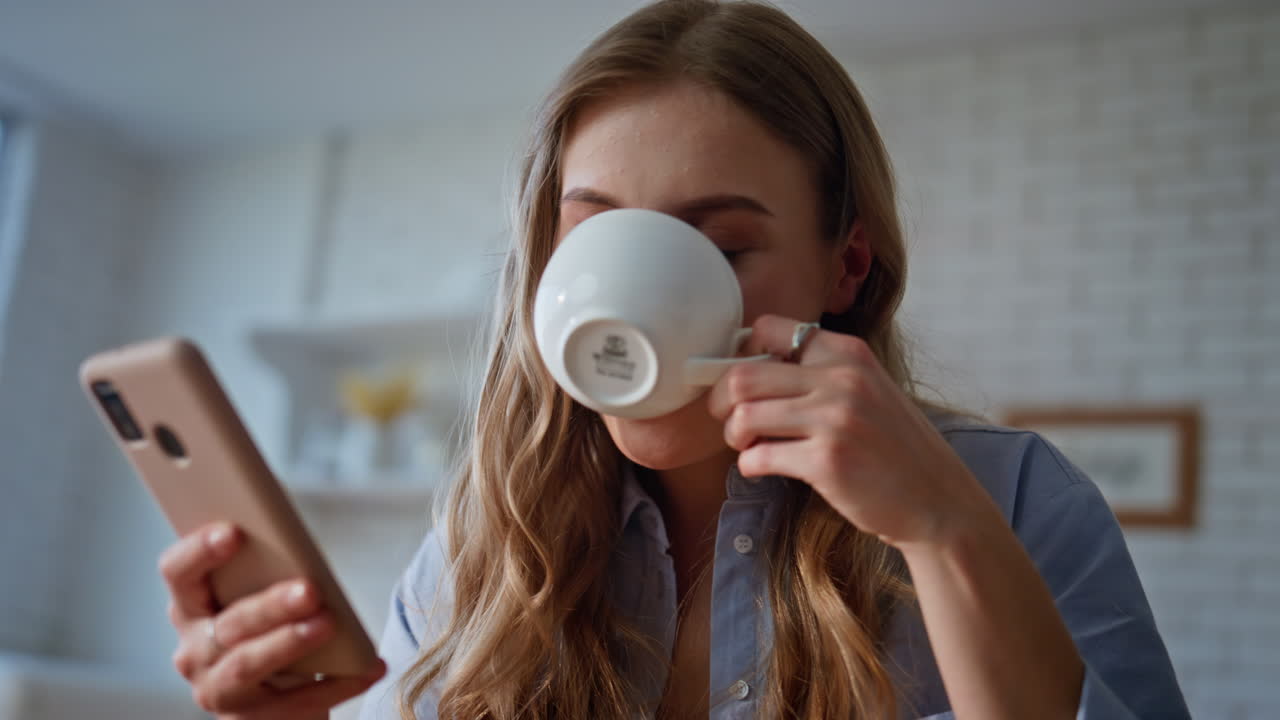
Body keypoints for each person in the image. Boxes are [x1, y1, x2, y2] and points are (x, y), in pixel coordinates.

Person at [156, 1, 1191, 718]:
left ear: (845, 267)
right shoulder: (488, 546)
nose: (635, 303)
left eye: (720, 246)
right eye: (595, 237)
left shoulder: (1007, 502)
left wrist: (942, 528)